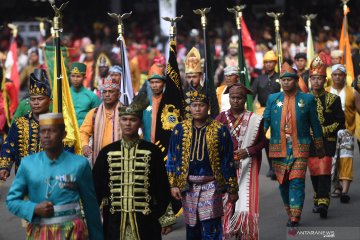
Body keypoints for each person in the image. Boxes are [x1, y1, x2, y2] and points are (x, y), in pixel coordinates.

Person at [6, 113, 103, 239]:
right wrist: (33, 208)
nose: (46, 136)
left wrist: (97, 237)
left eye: (52, 131)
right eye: (43, 131)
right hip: (39, 232)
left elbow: (91, 206)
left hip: (72, 233)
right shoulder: (28, 164)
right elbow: (12, 201)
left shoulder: (79, 164)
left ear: (63, 134)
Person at [93, 101, 174, 239]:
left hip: (145, 220)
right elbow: (96, 187)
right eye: (124, 119)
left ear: (140, 123)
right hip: (114, 220)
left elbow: (161, 186)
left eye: (133, 120)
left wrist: (166, 218)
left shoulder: (152, 151)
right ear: (119, 121)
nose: (128, 123)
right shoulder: (106, 152)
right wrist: (88, 216)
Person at [167, 87, 238, 239]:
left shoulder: (220, 130)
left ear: (208, 107)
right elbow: (173, 157)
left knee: (211, 226)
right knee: (192, 226)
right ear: (189, 108)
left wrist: (232, 188)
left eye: (201, 105)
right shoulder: (179, 129)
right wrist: (173, 184)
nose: (197, 108)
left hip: (211, 185)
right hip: (188, 186)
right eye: (194, 105)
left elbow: (228, 161)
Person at [263, 62, 324, 227]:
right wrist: (257, 139)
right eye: (283, 80)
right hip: (278, 147)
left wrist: (319, 146)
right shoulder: (273, 99)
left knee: (297, 181)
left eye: (289, 80)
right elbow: (265, 121)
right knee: (283, 183)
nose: (286, 83)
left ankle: (295, 216)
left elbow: (315, 124)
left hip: (300, 147)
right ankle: (290, 211)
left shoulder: (308, 99)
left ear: (296, 81)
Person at [216, 83, 266, 239]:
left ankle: (242, 232)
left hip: (246, 166)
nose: (235, 101)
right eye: (232, 97)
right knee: (226, 200)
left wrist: (249, 151)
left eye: (239, 98)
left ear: (245, 99)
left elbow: (263, 142)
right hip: (225, 167)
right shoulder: (221, 118)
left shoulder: (255, 119)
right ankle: (226, 231)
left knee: (243, 200)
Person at [308, 54, 345, 218]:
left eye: (319, 78)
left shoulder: (333, 99)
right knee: (314, 171)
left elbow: (340, 122)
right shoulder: (304, 99)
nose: (316, 81)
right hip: (308, 142)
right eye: (313, 78)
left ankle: (323, 201)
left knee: (324, 170)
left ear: (325, 80)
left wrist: (325, 130)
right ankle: (318, 197)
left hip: (327, 141)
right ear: (310, 80)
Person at [0, 69, 52, 180]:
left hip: (49, 182)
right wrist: (5, 167)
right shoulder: (19, 124)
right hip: (23, 180)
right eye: (33, 99)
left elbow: (67, 151)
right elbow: (9, 145)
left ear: (49, 101)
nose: (36, 103)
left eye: (40, 99)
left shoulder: (58, 124)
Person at [327, 64, 359, 203]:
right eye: (335, 74)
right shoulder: (326, 92)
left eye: (340, 74)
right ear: (332, 76)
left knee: (346, 159)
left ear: (345, 76)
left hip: (347, 131)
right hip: (330, 132)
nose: (338, 77)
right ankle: (337, 187)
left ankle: (345, 191)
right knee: (333, 160)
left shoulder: (353, 92)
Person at [80, 75, 122, 166]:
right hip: (99, 160)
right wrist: (85, 145)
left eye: (111, 92)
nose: (107, 94)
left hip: (121, 160)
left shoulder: (125, 113)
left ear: (119, 94)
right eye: (105, 92)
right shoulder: (94, 113)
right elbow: (83, 132)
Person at [251, 50, 281, 180]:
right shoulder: (259, 79)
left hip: (279, 111)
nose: (269, 64)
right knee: (267, 141)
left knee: (278, 140)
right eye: (267, 62)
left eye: (271, 62)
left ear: (275, 63)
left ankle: (279, 166)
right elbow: (251, 96)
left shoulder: (280, 77)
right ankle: (271, 167)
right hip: (263, 112)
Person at [70, 62, 100, 127]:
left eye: (78, 76)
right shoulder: (64, 94)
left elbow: (97, 117)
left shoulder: (92, 96)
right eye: (73, 76)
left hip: (85, 132)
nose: (75, 79)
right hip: (67, 132)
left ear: (84, 77)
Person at [142, 63, 166, 143]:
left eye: (157, 82)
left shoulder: (167, 103)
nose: (154, 85)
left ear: (163, 84)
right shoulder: (144, 103)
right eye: (152, 82)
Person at [183, 47, 203, 119]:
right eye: (189, 77)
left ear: (200, 76)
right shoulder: (182, 93)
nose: (191, 80)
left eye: (194, 77)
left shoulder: (206, 92)